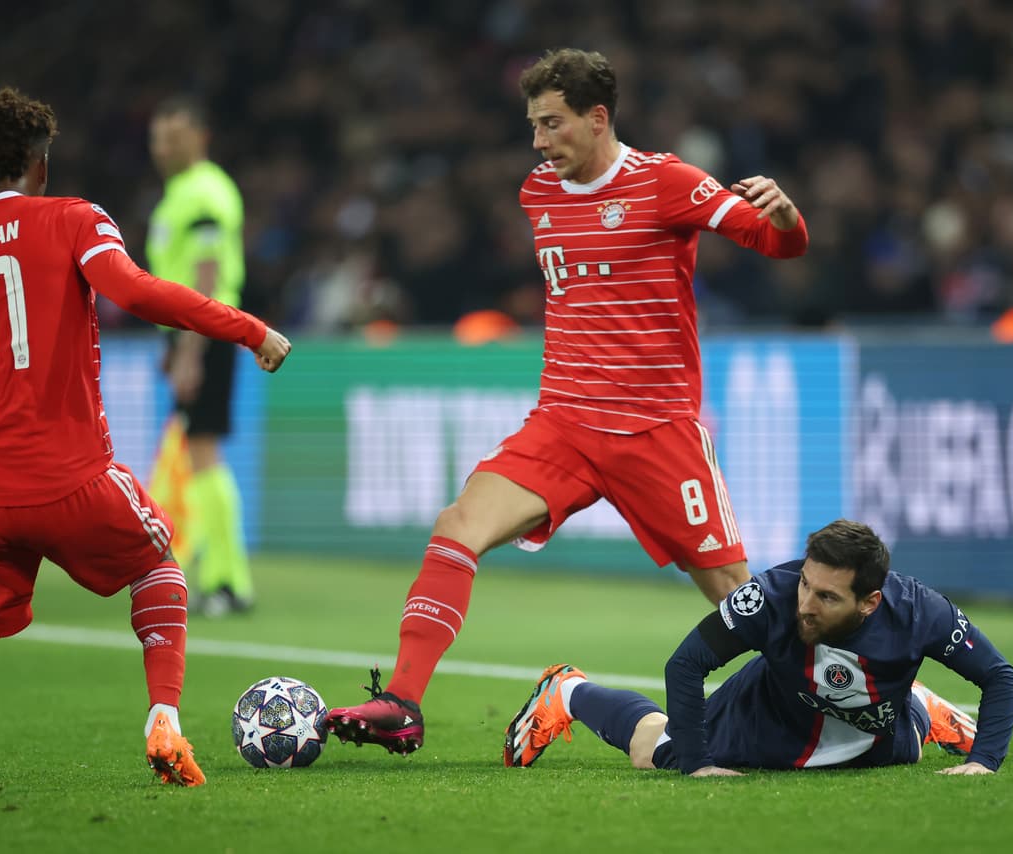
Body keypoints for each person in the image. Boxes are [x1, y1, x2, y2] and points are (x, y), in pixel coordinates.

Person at [325, 48, 810, 755]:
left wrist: (789, 216)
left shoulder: (666, 181)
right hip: (564, 424)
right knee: (458, 525)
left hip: (656, 431)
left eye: (552, 124)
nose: (539, 142)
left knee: (737, 593)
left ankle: (834, 701)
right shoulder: (538, 193)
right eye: (533, 125)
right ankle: (402, 702)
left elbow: (778, 244)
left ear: (597, 118)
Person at [0, 88, 292, 788]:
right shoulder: (74, 219)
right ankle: (162, 715)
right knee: (158, 563)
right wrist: (249, 327)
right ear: (41, 166)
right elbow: (134, 292)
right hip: (72, 475)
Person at [504, 520, 1013, 776]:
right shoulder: (771, 597)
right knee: (656, 751)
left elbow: (1000, 678)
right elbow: (686, 664)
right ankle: (567, 690)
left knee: (900, 752)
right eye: (805, 584)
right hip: (770, 711)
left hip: (874, 725)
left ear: (869, 602)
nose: (806, 603)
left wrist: (985, 762)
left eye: (826, 596)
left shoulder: (919, 612)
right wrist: (700, 761)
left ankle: (915, 707)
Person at [146, 96, 256, 617]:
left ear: (200, 137)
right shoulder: (178, 195)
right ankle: (223, 577)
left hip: (208, 332)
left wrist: (190, 350)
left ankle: (228, 581)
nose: (163, 147)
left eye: (175, 136)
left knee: (205, 453)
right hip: (192, 335)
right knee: (198, 453)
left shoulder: (206, 192)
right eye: (158, 137)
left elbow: (206, 279)